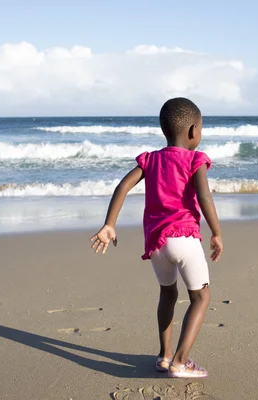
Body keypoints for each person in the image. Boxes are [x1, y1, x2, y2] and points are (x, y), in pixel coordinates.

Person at [90, 97, 223, 378]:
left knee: (168, 293)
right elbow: (203, 195)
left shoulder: (150, 159)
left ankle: (164, 356)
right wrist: (217, 232)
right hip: (184, 237)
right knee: (200, 297)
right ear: (192, 131)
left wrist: (109, 224)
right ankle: (181, 361)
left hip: (156, 243)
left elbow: (123, 186)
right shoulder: (195, 159)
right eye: (200, 129)